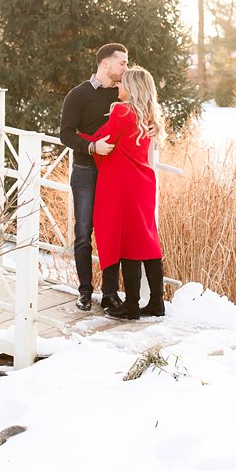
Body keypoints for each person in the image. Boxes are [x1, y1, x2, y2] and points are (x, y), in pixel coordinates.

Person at [78, 65, 166, 321]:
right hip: (144, 181)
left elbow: (104, 139)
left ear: (132, 88)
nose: (118, 87)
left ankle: (132, 305)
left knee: (127, 241)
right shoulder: (149, 114)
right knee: (147, 240)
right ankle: (157, 303)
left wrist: (75, 136)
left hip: (122, 183)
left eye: (122, 84)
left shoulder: (122, 111)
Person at [59, 43, 127, 311]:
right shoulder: (79, 95)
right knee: (84, 231)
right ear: (105, 63)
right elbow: (65, 134)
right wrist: (91, 147)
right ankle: (85, 291)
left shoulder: (124, 94)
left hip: (114, 172)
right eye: (122, 62)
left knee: (111, 232)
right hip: (86, 172)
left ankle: (110, 293)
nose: (125, 67)